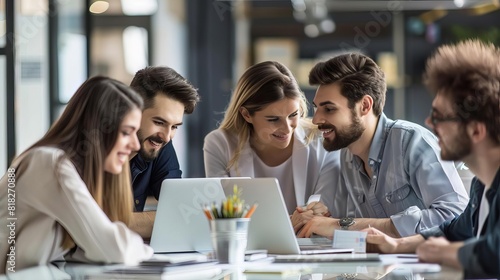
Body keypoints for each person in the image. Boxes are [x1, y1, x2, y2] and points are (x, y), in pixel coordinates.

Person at [365, 39, 500, 278]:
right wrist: (397, 245)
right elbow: (454, 230)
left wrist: (445, 253)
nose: (429, 124)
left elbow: (494, 253)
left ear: (476, 130)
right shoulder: (483, 184)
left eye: (438, 117)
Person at [297, 52, 469, 238]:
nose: (316, 119)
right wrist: (323, 217)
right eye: (316, 108)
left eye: (329, 109)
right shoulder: (347, 155)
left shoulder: (412, 142)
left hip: (433, 264)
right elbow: (358, 228)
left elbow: (456, 216)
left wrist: (341, 225)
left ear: (364, 106)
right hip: (386, 265)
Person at [0, 76, 153, 273]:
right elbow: (115, 249)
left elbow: (83, 250)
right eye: (126, 132)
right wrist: (143, 250)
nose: (136, 145)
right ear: (97, 131)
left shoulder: (68, 168)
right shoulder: (50, 164)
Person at [203, 61, 341, 222]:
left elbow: (323, 209)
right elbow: (223, 217)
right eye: (274, 119)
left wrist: (316, 211)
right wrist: (289, 222)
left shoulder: (322, 138)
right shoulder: (219, 144)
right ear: (246, 114)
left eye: (293, 115)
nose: (287, 128)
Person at [128, 66, 200, 238]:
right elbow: (94, 225)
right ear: (132, 111)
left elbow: (182, 213)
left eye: (174, 126)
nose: (167, 137)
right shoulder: (91, 148)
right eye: (159, 122)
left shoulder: (159, 143)